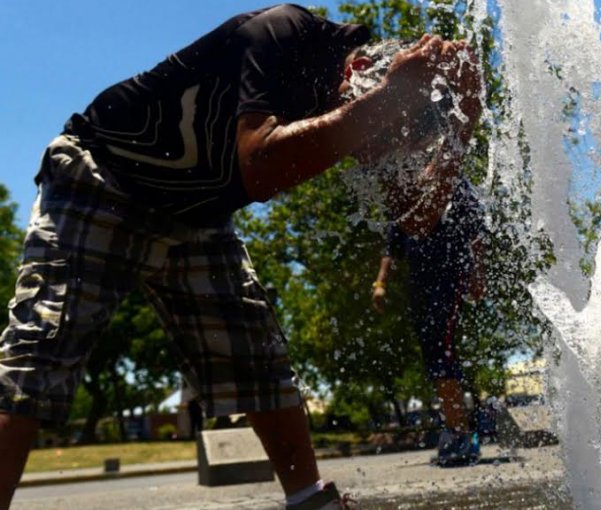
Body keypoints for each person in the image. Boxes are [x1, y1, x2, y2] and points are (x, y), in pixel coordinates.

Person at [0, 4, 481, 509]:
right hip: (104, 177)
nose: (371, 152)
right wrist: (384, 104)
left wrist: (461, 132)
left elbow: (416, 219)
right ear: (362, 74)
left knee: (257, 357)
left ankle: (309, 499)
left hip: (197, 213)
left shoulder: (366, 107)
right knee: (42, 349)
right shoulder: (283, 32)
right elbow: (260, 165)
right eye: (382, 135)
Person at [372, 178, 486, 466]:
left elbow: (476, 231)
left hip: (450, 273)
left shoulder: (453, 181)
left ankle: (461, 434)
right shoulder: (405, 181)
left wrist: (477, 272)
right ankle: (455, 428)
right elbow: (392, 241)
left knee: (441, 347)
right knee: (432, 352)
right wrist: (380, 282)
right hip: (419, 281)